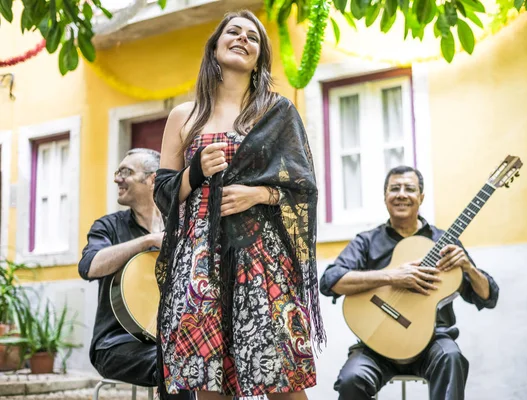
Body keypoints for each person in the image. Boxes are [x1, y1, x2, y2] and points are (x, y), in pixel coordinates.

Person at [153, 10, 325, 400]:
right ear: (215, 47)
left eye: (253, 37)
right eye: (233, 31)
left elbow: (303, 187)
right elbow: (163, 192)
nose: (242, 39)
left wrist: (260, 194)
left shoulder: (275, 113)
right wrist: (193, 172)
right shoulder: (185, 115)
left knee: (281, 372)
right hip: (200, 258)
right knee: (207, 377)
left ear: (259, 58)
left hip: (262, 257)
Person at [320, 165, 500, 400]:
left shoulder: (445, 243)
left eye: (410, 188)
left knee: (452, 358)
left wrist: (468, 267)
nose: (402, 194)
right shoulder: (367, 241)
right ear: (385, 197)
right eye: (395, 188)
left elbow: (488, 297)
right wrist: (392, 276)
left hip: (432, 342)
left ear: (421, 197)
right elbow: (330, 281)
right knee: (351, 379)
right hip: (376, 345)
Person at [78, 148, 192, 400]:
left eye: (126, 172)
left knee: (209, 360)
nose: (117, 178)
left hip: (171, 337)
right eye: (118, 172)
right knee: (175, 361)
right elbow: (89, 266)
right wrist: (147, 242)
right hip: (115, 344)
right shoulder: (107, 226)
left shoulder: (181, 226)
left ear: (152, 180)